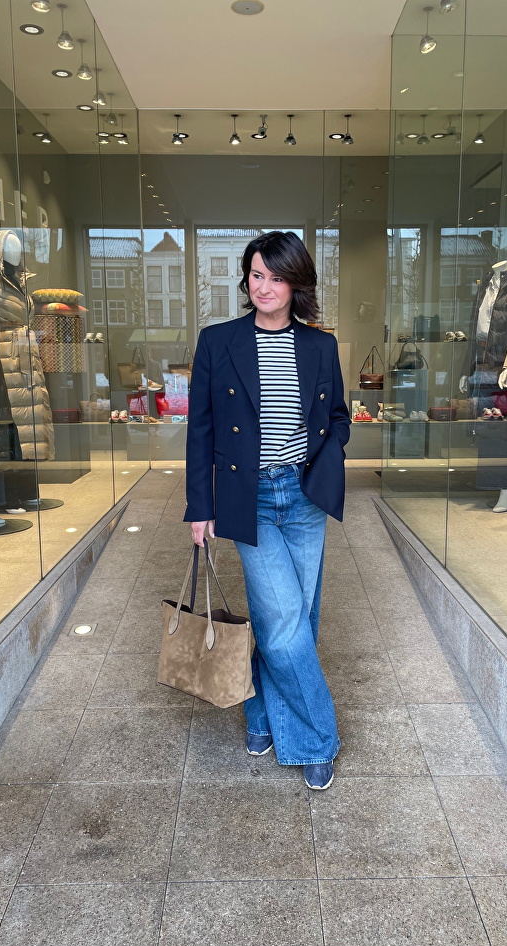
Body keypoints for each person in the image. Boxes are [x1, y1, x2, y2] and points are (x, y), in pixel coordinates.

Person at [184, 230, 351, 790]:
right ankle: (317, 739)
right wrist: (200, 506)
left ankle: (260, 717)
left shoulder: (320, 346)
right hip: (248, 497)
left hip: (304, 496)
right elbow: (201, 430)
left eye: (277, 277)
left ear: (296, 284)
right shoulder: (218, 342)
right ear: (246, 278)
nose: (265, 287)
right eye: (257, 275)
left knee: (293, 619)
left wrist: (328, 457)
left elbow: (338, 416)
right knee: (283, 621)